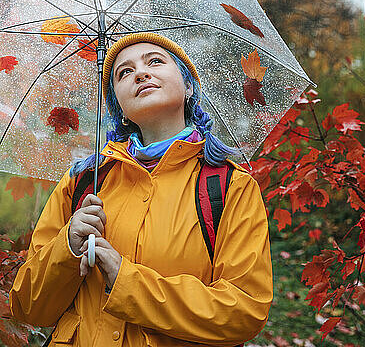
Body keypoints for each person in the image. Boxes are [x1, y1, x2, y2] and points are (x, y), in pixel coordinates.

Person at [9, 32, 273, 346]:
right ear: (118, 105)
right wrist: (67, 247)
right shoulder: (83, 181)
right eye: (124, 72)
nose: (141, 73)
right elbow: (28, 307)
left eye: (155, 62)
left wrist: (127, 281)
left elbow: (243, 312)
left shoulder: (230, 186)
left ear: (189, 86)